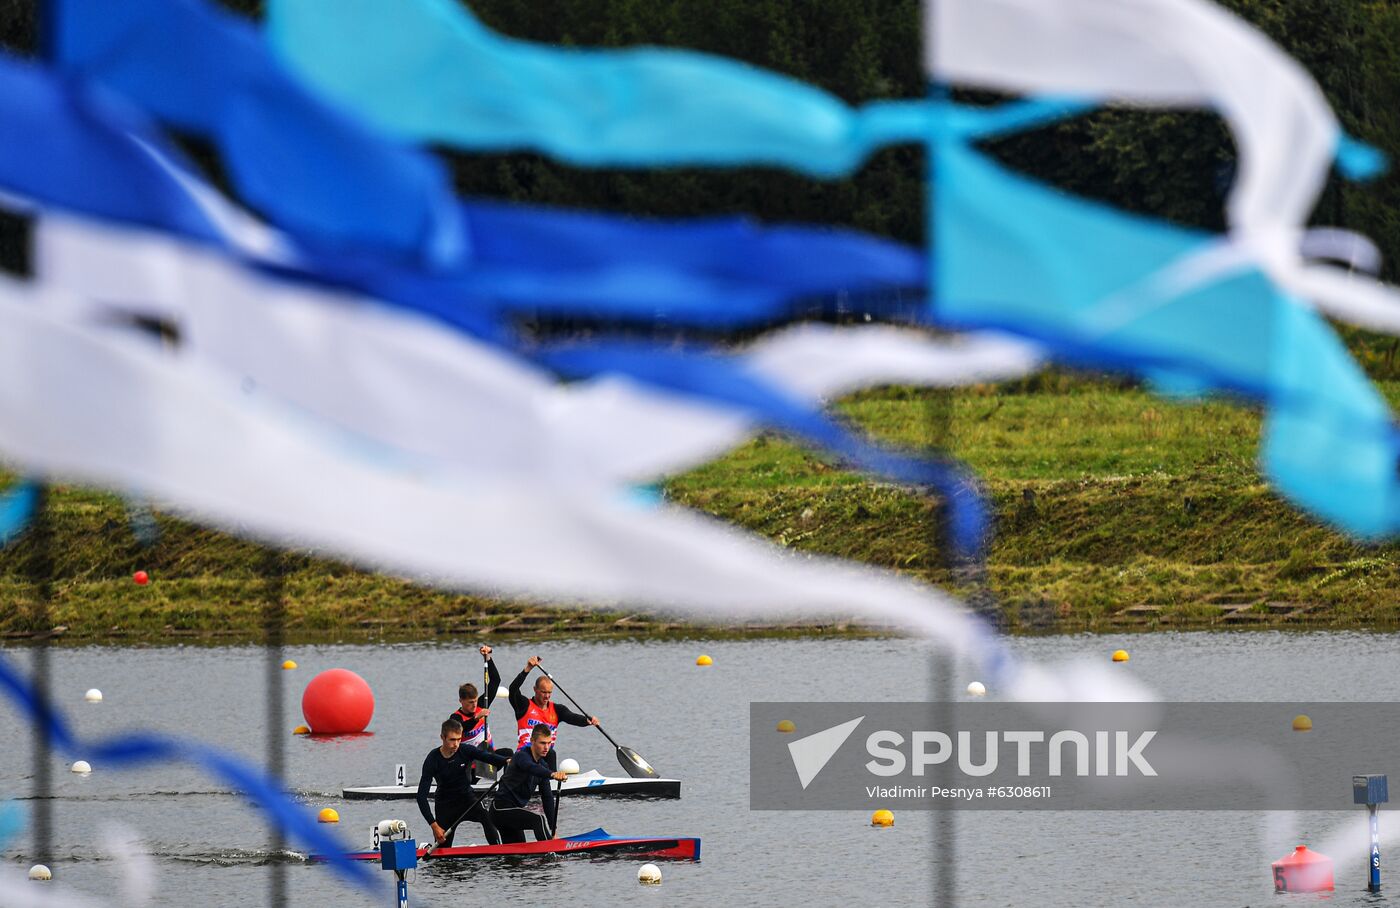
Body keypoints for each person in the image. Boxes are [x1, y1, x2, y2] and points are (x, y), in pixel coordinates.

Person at [417, 718, 508, 847]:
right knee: (444, 853)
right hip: (445, 805)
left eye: (459, 739)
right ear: (442, 737)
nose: (456, 744)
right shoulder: (433, 759)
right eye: (452, 740)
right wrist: (434, 825)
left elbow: (488, 757)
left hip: (467, 799)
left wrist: (507, 761)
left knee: (487, 817)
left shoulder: (465, 750)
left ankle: (498, 850)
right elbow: (421, 797)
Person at [508, 655, 598, 771]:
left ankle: (551, 784)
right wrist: (527, 669)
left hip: (544, 757)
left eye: (549, 692)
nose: (547, 696)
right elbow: (513, 690)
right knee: (551, 753)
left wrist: (587, 720)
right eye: (543, 692)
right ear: (535, 689)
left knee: (550, 753)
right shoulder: (524, 705)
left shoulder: (557, 709)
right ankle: (550, 780)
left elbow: (572, 717)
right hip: (525, 757)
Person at [489, 723, 569, 843]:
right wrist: (552, 774)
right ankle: (550, 853)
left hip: (513, 813)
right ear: (532, 741)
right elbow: (530, 767)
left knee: (517, 856)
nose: (546, 747)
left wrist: (553, 830)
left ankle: (547, 849)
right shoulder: (521, 756)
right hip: (500, 810)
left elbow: (547, 799)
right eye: (542, 743)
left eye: (549, 743)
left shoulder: (543, 766)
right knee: (538, 819)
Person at [449, 644, 500, 773]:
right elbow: (462, 728)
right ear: (461, 701)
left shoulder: (482, 704)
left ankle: (506, 788)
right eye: (470, 702)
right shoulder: (455, 718)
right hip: (467, 764)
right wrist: (477, 718)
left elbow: (495, 681)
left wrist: (488, 658)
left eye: (476, 701)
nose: (474, 705)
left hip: (485, 760)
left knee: (509, 755)